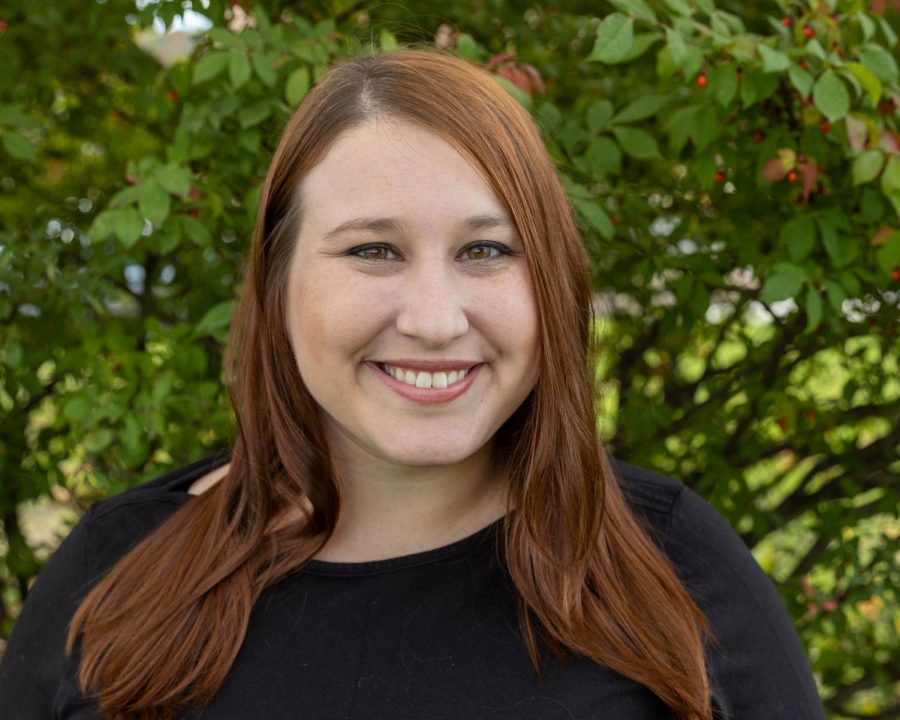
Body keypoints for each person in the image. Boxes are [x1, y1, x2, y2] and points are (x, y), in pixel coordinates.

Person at [0, 47, 826, 720]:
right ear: (275, 283)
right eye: (373, 250)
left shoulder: (672, 570)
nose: (435, 319)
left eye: (487, 251)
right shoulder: (116, 576)